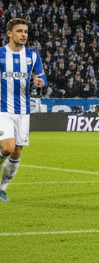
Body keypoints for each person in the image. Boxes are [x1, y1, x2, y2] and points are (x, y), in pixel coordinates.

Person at [1, 18, 47, 202]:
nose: (24, 35)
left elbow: (42, 78)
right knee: (8, 146)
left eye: (26, 32)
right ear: (9, 33)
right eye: (19, 31)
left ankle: (2, 188)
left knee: (16, 151)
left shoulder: (33, 56)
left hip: (23, 110)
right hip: (2, 108)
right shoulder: (1, 54)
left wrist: (40, 82)